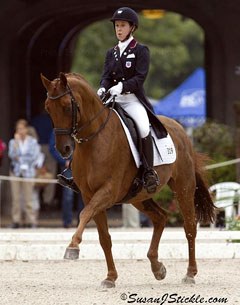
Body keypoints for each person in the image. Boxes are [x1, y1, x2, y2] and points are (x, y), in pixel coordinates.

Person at [96, 7, 167, 193]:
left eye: (122, 26)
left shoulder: (141, 50)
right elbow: (106, 76)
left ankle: (148, 172)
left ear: (132, 28)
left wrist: (123, 86)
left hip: (132, 99)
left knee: (143, 127)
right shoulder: (111, 53)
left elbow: (140, 77)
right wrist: (103, 86)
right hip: (113, 99)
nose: (119, 29)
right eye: (117, 26)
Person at [8, 119, 41, 228]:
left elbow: (33, 156)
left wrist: (21, 160)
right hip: (16, 172)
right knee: (16, 198)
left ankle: (30, 220)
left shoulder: (32, 141)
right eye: (18, 129)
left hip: (28, 172)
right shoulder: (13, 142)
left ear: (26, 129)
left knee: (28, 198)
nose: (20, 131)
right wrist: (17, 144)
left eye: (22, 128)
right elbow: (12, 155)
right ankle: (16, 220)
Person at [49, 131, 84, 228]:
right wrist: (64, 161)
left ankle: (81, 222)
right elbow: (52, 147)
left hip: (81, 165)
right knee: (68, 195)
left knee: (83, 194)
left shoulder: (80, 128)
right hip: (67, 165)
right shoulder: (59, 128)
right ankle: (67, 221)